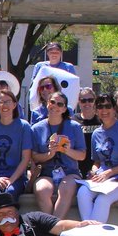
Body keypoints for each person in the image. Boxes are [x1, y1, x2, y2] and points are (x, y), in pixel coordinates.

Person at [77, 92, 118, 223]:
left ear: (114, 109)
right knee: (82, 193)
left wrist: (109, 172)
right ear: (96, 110)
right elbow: (97, 162)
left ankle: (92, 234)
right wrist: (94, 171)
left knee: (103, 199)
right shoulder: (96, 133)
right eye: (100, 107)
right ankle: (90, 232)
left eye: (107, 106)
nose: (104, 110)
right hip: (103, 177)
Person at [30, 91, 86, 219]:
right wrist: (50, 154)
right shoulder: (37, 128)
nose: (55, 106)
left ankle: (52, 227)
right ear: (47, 103)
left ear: (64, 109)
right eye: (52, 102)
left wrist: (67, 150)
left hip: (70, 172)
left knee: (66, 190)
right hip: (46, 173)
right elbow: (34, 157)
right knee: (41, 190)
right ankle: (56, 226)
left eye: (60, 104)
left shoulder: (74, 127)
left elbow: (82, 155)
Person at [73, 87, 102, 177]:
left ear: (95, 101)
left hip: (98, 166)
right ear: (79, 102)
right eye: (83, 100)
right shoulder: (73, 120)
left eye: (90, 100)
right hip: (77, 167)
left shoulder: (101, 120)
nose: (87, 103)